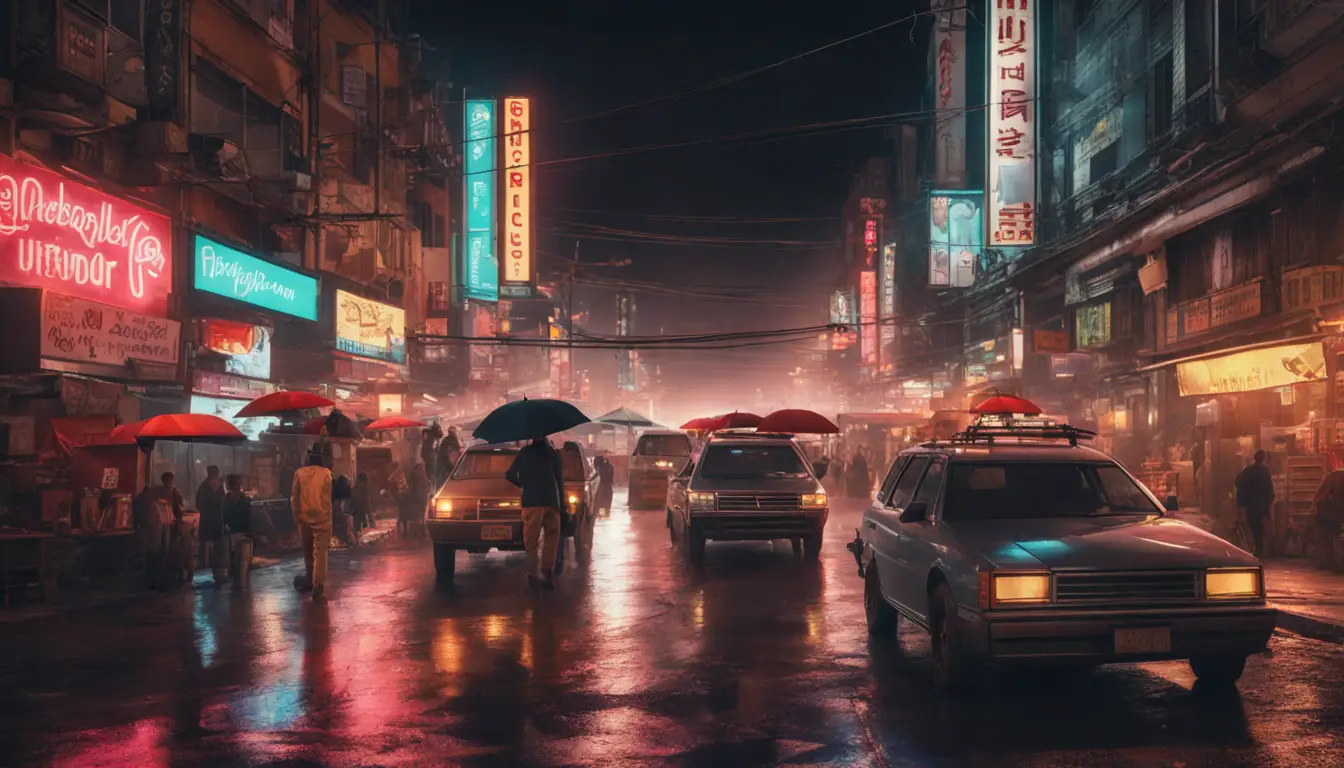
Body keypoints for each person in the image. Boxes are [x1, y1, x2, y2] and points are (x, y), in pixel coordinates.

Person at [506, 436, 565, 590]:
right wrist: (562, 505)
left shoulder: (524, 453)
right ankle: (547, 574)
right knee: (551, 540)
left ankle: (533, 576)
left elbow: (510, 474)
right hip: (552, 501)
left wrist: (524, 484)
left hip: (531, 502)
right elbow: (559, 480)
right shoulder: (553, 453)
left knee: (531, 542)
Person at [291, 451, 333, 599]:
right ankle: (318, 584)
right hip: (322, 518)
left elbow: (294, 497)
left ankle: (309, 578)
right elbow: (328, 496)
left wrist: (297, 516)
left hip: (305, 518)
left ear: (308, 459)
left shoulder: (299, 473)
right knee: (321, 553)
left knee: (308, 552)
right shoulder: (326, 473)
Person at [1235, 450, 1275, 557]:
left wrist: (1242, 504)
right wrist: (1269, 502)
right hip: (1262, 506)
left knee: (1253, 528)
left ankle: (1255, 549)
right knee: (1260, 529)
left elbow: (1240, 484)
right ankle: (1260, 550)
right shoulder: (1265, 471)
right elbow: (1269, 488)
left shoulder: (1248, 470)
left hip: (1251, 505)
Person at [195, 466, 227, 584]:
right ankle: (212, 571)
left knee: (213, 547)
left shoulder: (205, 487)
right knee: (214, 547)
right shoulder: (209, 487)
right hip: (213, 521)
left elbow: (198, 504)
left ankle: (213, 572)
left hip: (212, 521)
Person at [222, 474, 254, 589]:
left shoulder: (243, 499)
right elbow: (224, 517)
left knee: (244, 563)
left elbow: (249, 516)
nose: (238, 486)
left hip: (244, 533)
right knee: (236, 561)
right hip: (233, 533)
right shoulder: (226, 500)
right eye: (236, 484)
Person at [1312, 468, 1344, 571]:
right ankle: (1329, 562)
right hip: (1328, 513)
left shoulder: (1333, 476)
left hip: (1325, 512)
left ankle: (1325, 562)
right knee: (1328, 537)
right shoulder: (1336, 478)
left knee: (1325, 538)